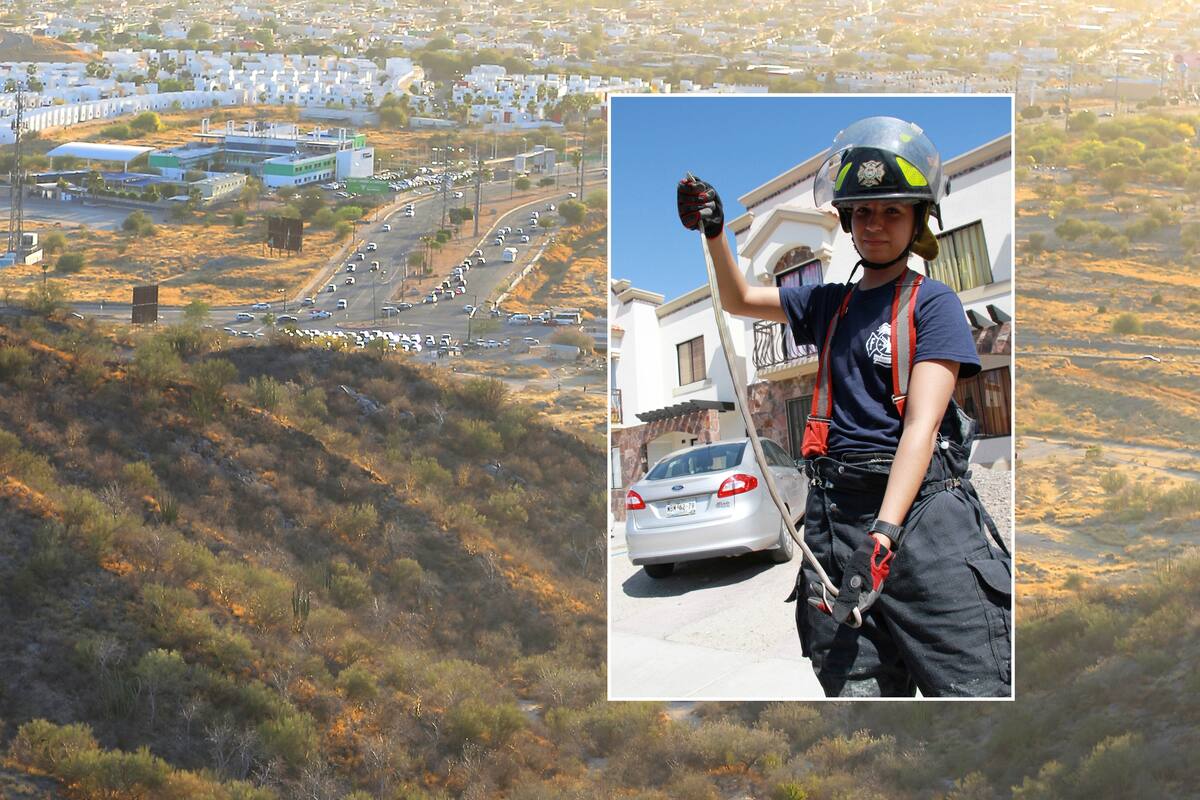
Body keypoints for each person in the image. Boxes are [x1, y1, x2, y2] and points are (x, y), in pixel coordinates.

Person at [676, 116, 1011, 698]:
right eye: (861, 212)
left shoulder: (933, 304)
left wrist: (882, 537)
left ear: (917, 220)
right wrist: (714, 232)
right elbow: (736, 298)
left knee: (974, 693)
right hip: (835, 525)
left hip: (920, 522)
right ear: (848, 223)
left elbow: (922, 428)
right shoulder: (827, 304)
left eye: (890, 211)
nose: (874, 224)